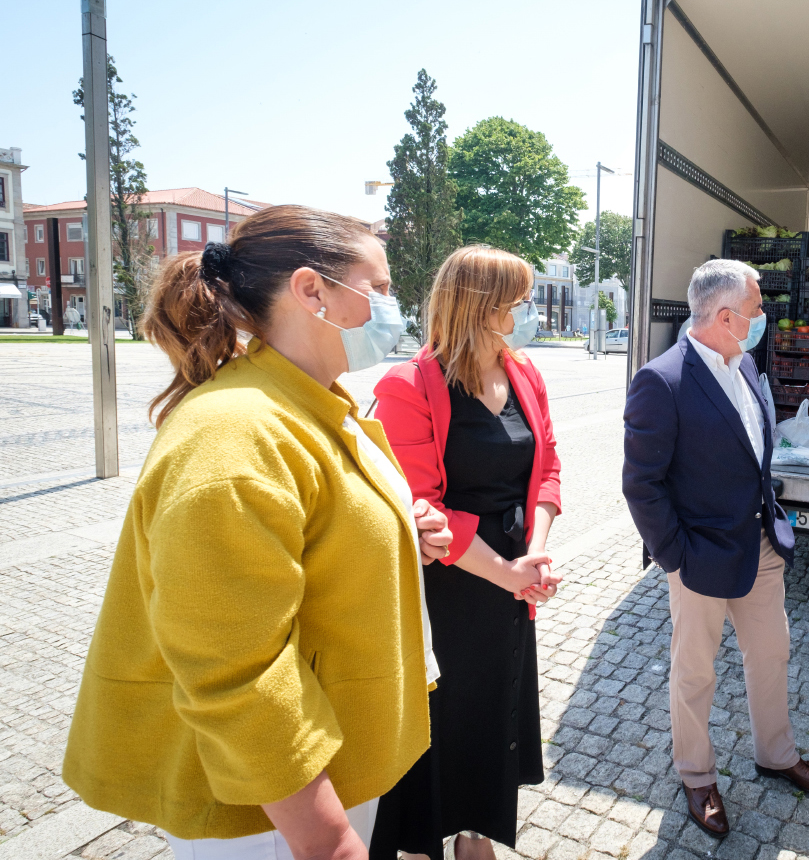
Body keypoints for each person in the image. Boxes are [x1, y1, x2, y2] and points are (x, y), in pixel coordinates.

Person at [64, 206, 450, 860]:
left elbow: (320, 527)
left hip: (319, 773)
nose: (394, 308)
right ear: (311, 291)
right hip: (270, 808)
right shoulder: (237, 434)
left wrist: (397, 532)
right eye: (377, 290)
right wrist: (328, 841)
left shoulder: (312, 399)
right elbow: (234, 667)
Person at [623, 259, 809, 839]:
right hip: (699, 558)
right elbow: (642, 484)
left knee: (771, 653)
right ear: (725, 315)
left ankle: (776, 753)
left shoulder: (744, 366)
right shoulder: (662, 380)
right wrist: (676, 558)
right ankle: (696, 773)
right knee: (694, 672)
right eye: (758, 306)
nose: (764, 315)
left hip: (761, 544)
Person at [368, 246, 563, 860]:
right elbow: (421, 500)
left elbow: (548, 469)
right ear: (483, 307)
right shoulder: (410, 384)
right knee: (442, 713)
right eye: (520, 301)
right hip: (449, 583)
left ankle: (478, 831)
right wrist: (507, 572)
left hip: (512, 577)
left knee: (494, 705)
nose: (530, 311)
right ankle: (429, 838)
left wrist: (533, 555)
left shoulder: (524, 371)